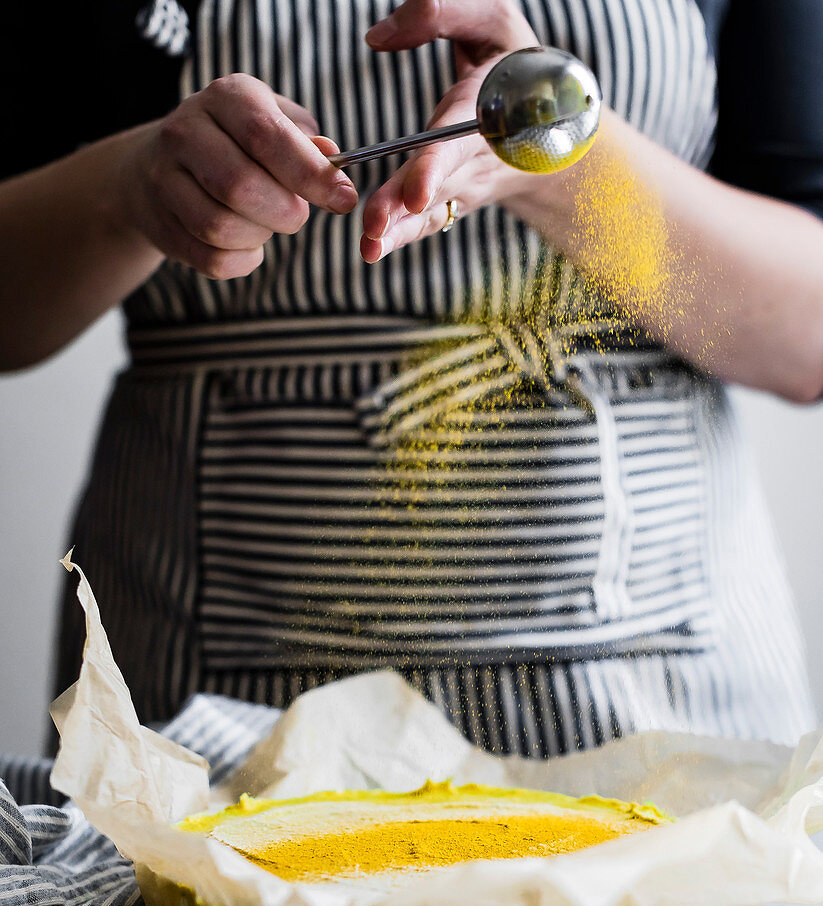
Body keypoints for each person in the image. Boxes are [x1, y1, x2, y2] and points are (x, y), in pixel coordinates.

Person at [1, 0, 821, 757]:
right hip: (202, 719)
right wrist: (127, 194)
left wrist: (564, 161)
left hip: (671, 722)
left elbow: (807, 336)